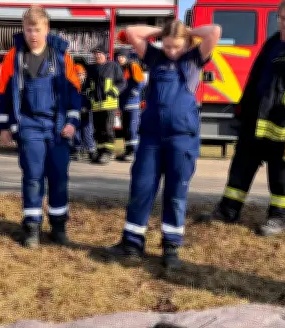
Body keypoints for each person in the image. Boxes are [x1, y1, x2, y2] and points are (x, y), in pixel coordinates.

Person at [198, 0, 285, 237]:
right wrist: (243, 106)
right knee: (241, 166)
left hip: (282, 124)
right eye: (281, 18)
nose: (284, 23)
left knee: (280, 172)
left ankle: (279, 217)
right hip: (256, 120)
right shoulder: (272, 43)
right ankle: (228, 211)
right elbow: (255, 77)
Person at [105, 20, 222, 270]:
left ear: (188, 44)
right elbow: (131, 33)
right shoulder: (155, 57)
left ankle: (171, 247)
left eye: (176, 47)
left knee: (176, 194)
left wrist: (185, 33)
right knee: (141, 188)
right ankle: (132, 243)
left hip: (182, 138)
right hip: (151, 138)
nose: (171, 51)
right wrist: (164, 32)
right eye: (167, 46)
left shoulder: (194, 59)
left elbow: (214, 32)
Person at [0, 5, 81, 248]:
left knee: (59, 177)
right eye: (29, 29)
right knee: (33, 178)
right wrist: (3, 126)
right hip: (29, 126)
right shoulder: (14, 56)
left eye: (38, 29)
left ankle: (58, 226)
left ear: (47, 29)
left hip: (57, 126)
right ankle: (32, 227)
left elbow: (74, 92)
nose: (33, 34)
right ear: (23, 29)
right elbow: (3, 93)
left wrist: (72, 122)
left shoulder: (61, 56)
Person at [83, 46, 125, 164]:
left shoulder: (113, 66)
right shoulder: (91, 68)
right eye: (95, 54)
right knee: (97, 130)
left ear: (106, 55)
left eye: (99, 53)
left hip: (109, 104)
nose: (97, 56)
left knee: (107, 129)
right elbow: (86, 86)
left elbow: (122, 82)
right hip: (96, 105)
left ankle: (108, 152)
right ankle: (100, 151)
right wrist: (89, 92)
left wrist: (114, 91)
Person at [115, 48, 146, 162]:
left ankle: (134, 152)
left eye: (122, 56)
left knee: (132, 129)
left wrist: (134, 93)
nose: (120, 58)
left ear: (127, 57)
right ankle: (128, 150)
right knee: (125, 130)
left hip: (132, 104)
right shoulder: (119, 68)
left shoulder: (133, 66)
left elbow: (141, 82)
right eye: (118, 56)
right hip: (123, 104)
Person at [71, 58, 94, 161]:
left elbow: (92, 97)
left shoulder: (89, 85)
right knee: (76, 131)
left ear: (85, 74)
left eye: (81, 74)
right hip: (76, 111)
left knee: (87, 130)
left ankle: (90, 150)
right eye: (78, 74)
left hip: (87, 111)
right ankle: (77, 149)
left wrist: (88, 107)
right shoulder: (72, 85)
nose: (80, 77)